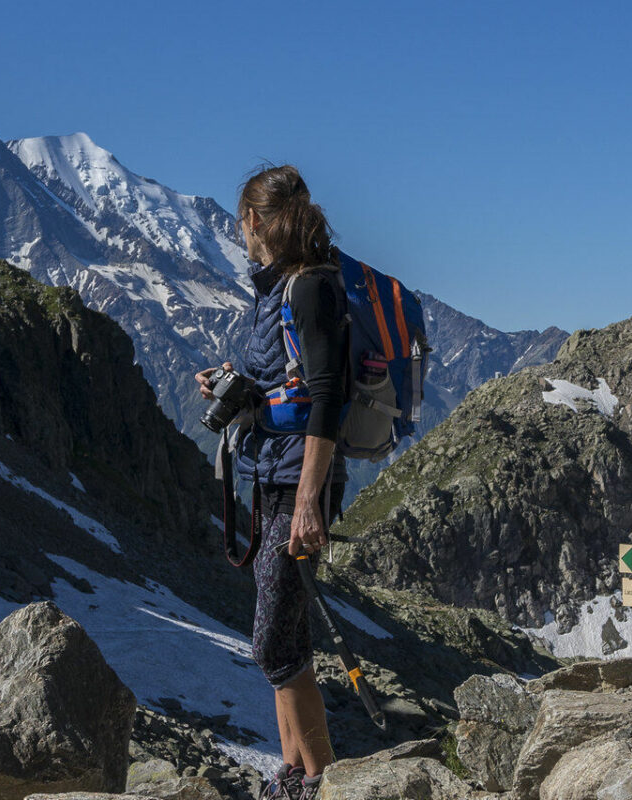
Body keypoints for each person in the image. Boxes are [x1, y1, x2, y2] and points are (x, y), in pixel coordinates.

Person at [196, 164, 348, 800]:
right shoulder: (277, 290)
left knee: (270, 641)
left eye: (240, 221)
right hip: (272, 477)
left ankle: (317, 779)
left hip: (296, 483)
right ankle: (293, 770)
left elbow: (327, 395)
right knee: (284, 634)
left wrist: (310, 500)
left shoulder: (308, 288)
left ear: (253, 221)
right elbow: (287, 379)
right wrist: (234, 385)